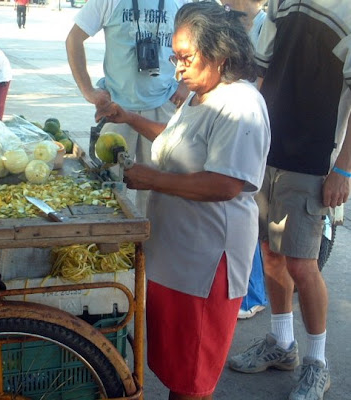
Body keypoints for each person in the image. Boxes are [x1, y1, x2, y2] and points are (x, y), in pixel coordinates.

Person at [96, 2, 270, 399]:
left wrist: (153, 180)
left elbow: (226, 184)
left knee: (193, 377)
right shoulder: (199, 94)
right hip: (176, 255)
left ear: (219, 53)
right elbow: (178, 141)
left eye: (186, 57)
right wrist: (129, 117)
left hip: (206, 264)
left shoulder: (239, 105)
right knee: (179, 370)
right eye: (175, 57)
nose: (177, 68)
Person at [228, 1, 351, 399]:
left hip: (313, 161)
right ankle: (282, 345)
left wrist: (343, 170)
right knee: (270, 254)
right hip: (266, 149)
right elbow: (258, 71)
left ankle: (318, 364)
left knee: (302, 264)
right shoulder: (281, 4)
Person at [66, 0, 190, 213]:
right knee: (107, 185)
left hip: (163, 106)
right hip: (116, 110)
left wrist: (184, 84)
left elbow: (200, 41)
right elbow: (74, 39)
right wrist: (88, 91)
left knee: (158, 190)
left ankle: (148, 244)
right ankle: (110, 242)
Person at [226, 0, 268, 320]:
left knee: (245, 207)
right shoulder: (230, 19)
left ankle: (252, 294)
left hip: (252, 122)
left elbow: (261, 78)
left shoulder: (266, 24)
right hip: (234, 119)